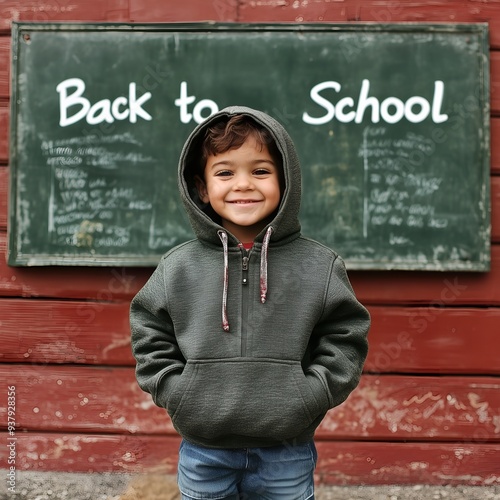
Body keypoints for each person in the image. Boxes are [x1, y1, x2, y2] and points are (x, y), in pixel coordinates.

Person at [130, 106, 370, 499]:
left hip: (287, 449)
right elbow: (149, 333)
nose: (243, 184)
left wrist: (312, 395)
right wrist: (177, 391)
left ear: (285, 180)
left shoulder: (319, 266)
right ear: (202, 188)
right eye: (225, 172)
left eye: (260, 171)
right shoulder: (178, 267)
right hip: (203, 448)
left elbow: (346, 337)